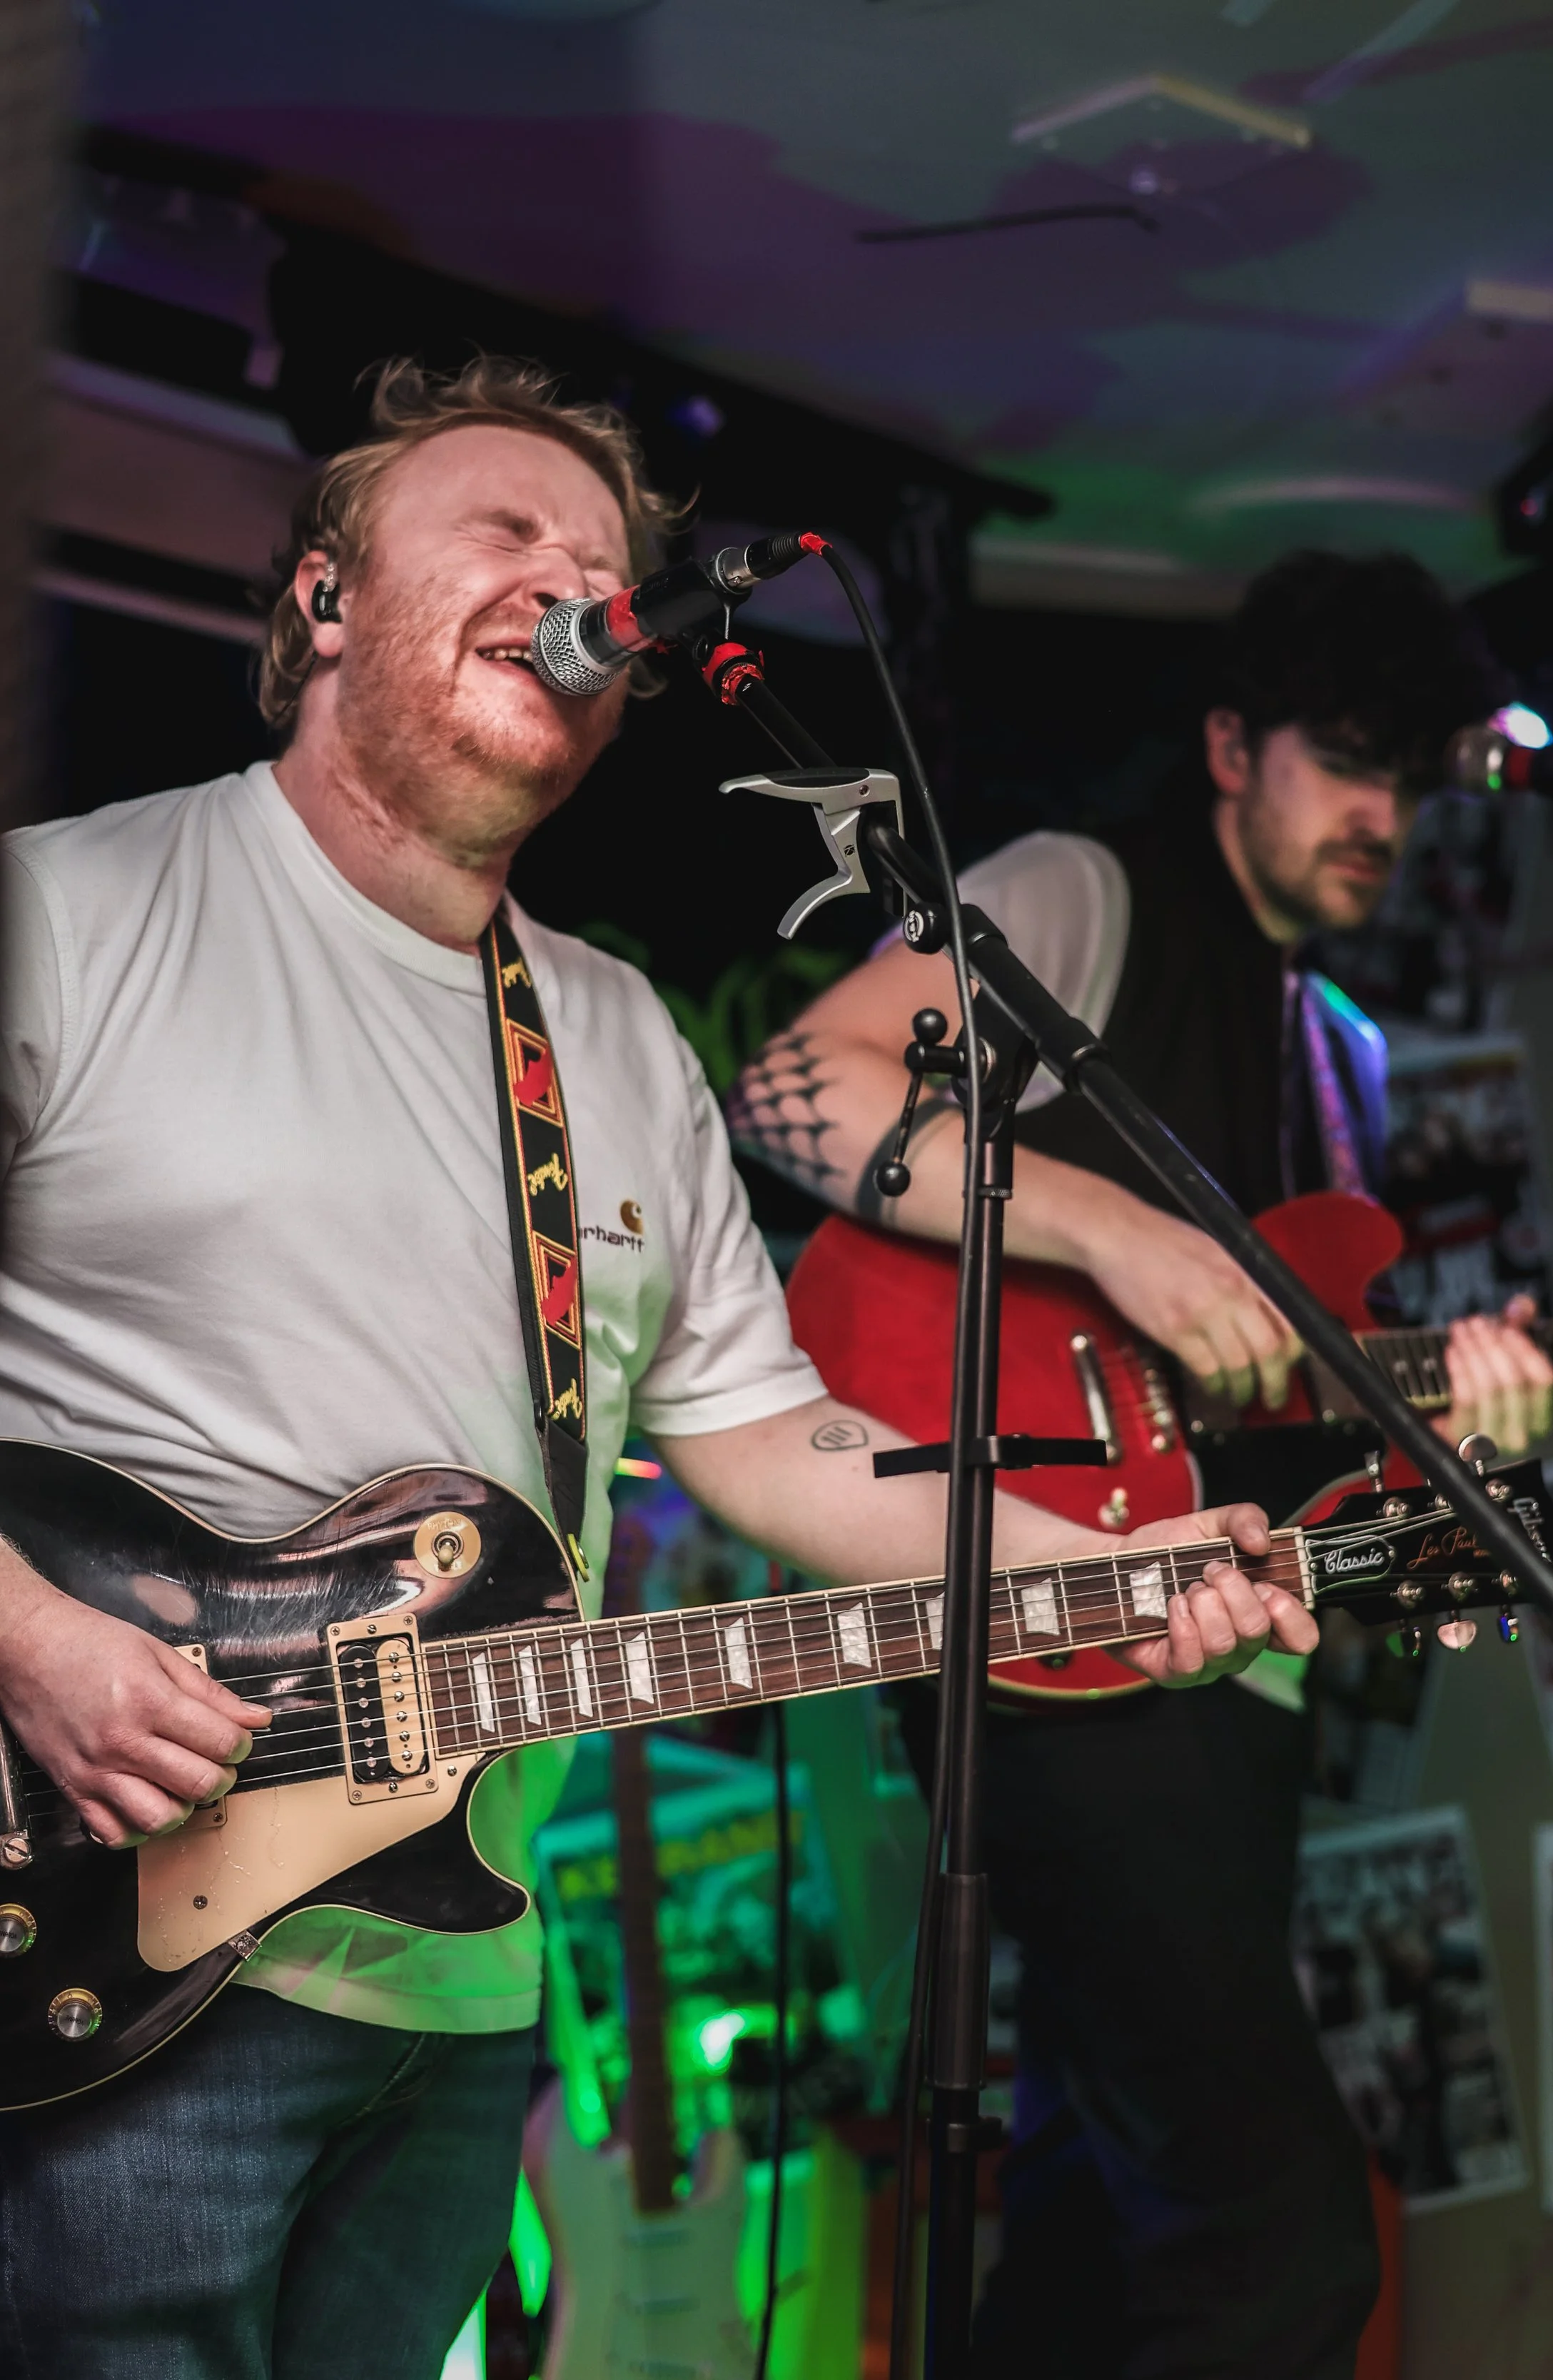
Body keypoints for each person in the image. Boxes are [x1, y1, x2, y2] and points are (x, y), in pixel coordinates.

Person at [0, 359, 1312, 2380]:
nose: (570, 582)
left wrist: (1110, 1572)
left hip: (457, 1977)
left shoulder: (609, 1036)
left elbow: (778, 1442)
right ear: (326, 596)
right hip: (98, 1926)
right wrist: (31, 1642)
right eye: (504, 531)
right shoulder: (70, 912)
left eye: (598, 561)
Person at [727, 550, 1553, 2379]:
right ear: (1229, 745)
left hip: (1225, 1661)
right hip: (1046, 1598)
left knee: (1093, 2230)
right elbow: (792, 1089)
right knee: (1277, 2246)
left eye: (1407, 777)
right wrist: (1117, 1232)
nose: (1379, 814)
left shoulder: (1337, 1052)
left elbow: (1269, 1418)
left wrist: (1451, 1433)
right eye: (1345, 759)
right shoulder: (1079, 891)